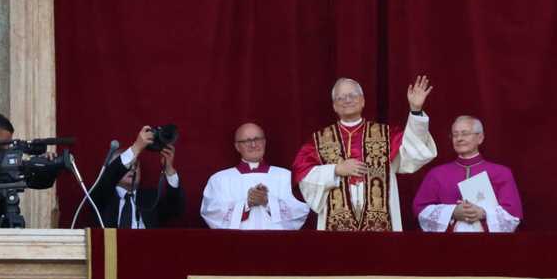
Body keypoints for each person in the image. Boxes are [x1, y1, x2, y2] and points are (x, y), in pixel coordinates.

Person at [292, 76, 438, 231]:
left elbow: (415, 150)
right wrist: (335, 170)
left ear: (363, 101)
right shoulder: (318, 141)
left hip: (382, 225)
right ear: (334, 106)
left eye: (352, 95)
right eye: (341, 97)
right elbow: (302, 175)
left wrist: (416, 110)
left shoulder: (387, 136)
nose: (347, 100)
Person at [412, 115, 522, 232]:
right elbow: (420, 209)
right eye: (455, 134)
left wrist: (483, 213)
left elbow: (512, 213)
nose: (459, 138)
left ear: (480, 138)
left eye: (465, 133)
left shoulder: (501, 173)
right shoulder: (436, 174)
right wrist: (453, 212)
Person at [200, 123, 310, 230]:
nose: (253, 145)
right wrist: (246, 204)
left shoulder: (286, 177)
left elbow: (300, 211)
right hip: (235, 245)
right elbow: (211, 212)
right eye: (247, 141)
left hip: (277, 244)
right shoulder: (219, 180)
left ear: (264, 142)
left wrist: (267, 201)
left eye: (257, 139)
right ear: (237, 146)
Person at [86, 126, 185, 228]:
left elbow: (176, 209)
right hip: (112, 243)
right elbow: (109, 177)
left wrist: (169, 169)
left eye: (136, 165)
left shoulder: (151, 199)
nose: (132, 168)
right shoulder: (102, 195)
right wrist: (136, 148)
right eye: (129, 165)